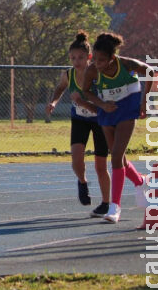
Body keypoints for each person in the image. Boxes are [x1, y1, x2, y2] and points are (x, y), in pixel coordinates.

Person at [80, 32, 158, 223]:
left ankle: (115, 208)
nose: (97, 64)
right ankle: (140, 181)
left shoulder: (126, 64)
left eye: (102, 60)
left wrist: (144, 101)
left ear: (112, 58)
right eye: (95, 59)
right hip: (108, 110)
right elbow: (85, 91)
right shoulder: (92, 71)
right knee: (119, 157)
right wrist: (101, 104)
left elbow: (151, 72)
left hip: (127, 109)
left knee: (115, 156)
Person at [46, 31, 110, 217]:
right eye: (73, 57)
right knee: (76, 159)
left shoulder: (98, 73)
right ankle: (82, 181)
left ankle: (106, 203)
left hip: (100, 120)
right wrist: (54, 102)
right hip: (80, 119)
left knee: (101, 165)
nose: (77, 61)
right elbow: (60, 88)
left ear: (89, 57)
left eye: (81, 57)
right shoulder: (68, 74)